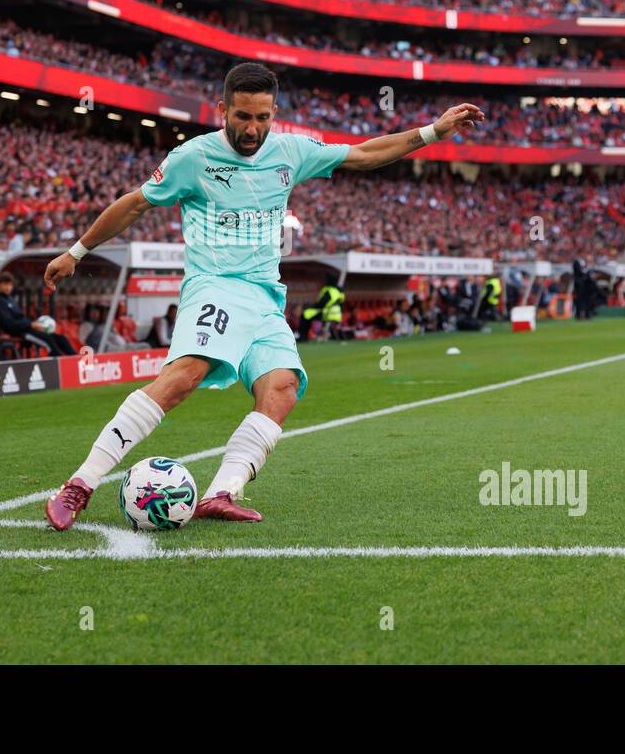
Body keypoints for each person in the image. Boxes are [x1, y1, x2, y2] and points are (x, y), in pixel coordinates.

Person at [41, 61, 483, 528]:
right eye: (243, 117)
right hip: (214, 285)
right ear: (222, 110)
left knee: (282, 388)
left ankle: (222, 492)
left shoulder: (290, 151)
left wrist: (433, 131)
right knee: (184, 376)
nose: (252, 129)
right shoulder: (193, 157)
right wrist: (77, 251)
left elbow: (363, 154)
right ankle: (80, 484)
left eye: (262, 118)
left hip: (264, 296)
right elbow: (134, 203)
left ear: (274, 113)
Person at [0, 271, 74, 356]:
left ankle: (76, 358)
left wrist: (34, 324)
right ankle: (57, 361)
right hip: (20, 331)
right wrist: (30, 325)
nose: (8, 287)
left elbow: (21, 318)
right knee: (48, 340)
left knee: (60, 338)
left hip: (27, 327)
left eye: (10, 285)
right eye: (5, 284)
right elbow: (9, 324)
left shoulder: (10, 299)